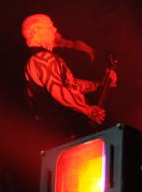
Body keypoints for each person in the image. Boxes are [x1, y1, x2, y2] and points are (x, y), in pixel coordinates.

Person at [21, 13, 115, 144]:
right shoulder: (41, 58)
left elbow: (71, 85)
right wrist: (87, 109)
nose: (55, 30)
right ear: (36, 30)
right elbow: (56, 89)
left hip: (71, 129)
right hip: (63, 131)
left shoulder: (48, 58)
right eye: (50, 26)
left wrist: (100, 86)